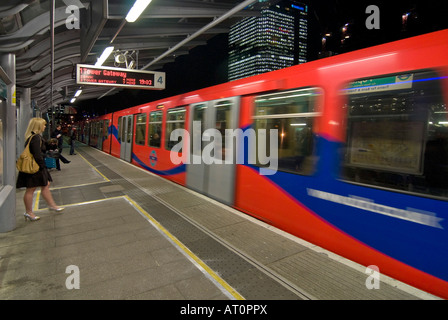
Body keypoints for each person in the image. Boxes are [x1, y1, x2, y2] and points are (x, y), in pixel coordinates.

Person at [16, 117, 64, 221]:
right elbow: (37, 154)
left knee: (45, 185)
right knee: (31, 189)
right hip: (35, 167)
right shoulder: (36, 138)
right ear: (38, 126)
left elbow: (42, 149)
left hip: (36, 166)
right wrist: (43, 167)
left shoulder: (34, 137)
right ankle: (29, 212)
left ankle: (52, 206)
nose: (45, 126)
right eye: (44, 124)